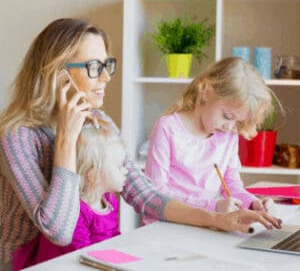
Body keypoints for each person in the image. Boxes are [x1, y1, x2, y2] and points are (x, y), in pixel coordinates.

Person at [0, 19, 281, 270]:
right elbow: (59, 231)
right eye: (94, 67)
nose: (107, 77)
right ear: (57, 74)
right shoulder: (18, 136)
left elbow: (145, 195)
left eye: (106, 65)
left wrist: (218, 219)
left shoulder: (97, 120)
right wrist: (66, 137)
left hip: (81, 256)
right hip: (29, 263)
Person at [143, 57, 279, 225]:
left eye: (237, 121)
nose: (230, 127)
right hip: (165, 225)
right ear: (206, 92)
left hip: (205, 224)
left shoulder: (228, 135)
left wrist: (252, 203)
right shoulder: (168, 128)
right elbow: (155, 194)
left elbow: (231, 184)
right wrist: (212, 206)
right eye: (227, 116)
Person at [12, 122, 127, 269]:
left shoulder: (110, 201)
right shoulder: (76, 211)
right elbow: (81, 256)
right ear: (93, 175)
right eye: (119, 167)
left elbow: (113, 238)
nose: (125, 171)